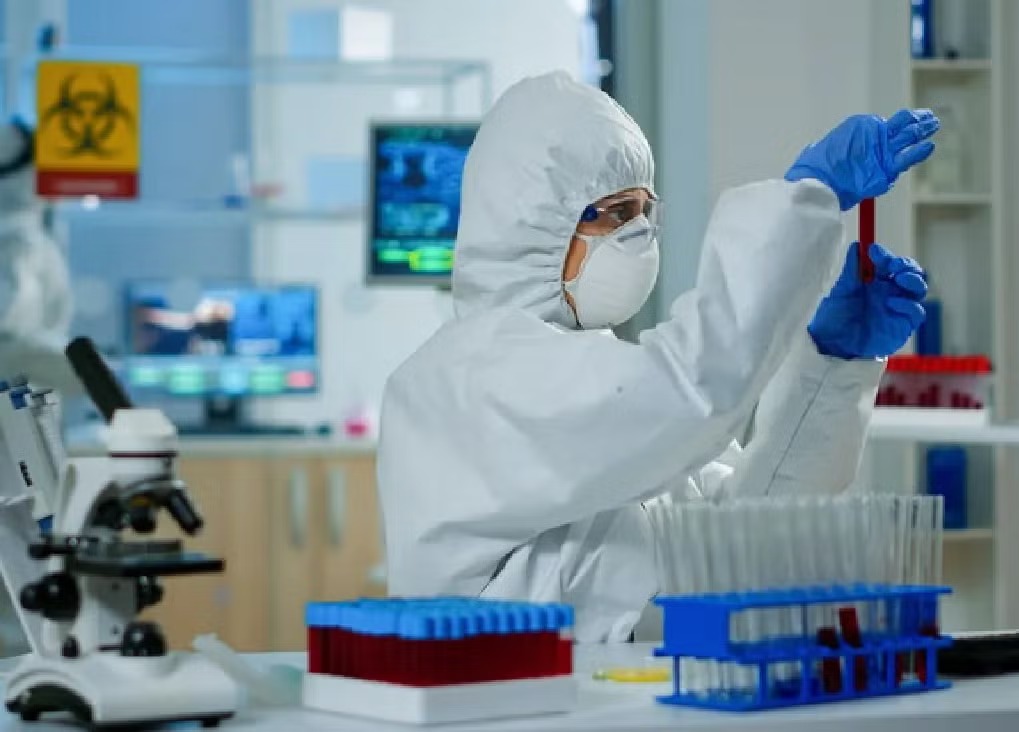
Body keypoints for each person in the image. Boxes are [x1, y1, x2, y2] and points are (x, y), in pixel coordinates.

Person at [379, 71, 938, 642]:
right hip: (512, 691)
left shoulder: (598, 370)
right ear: (530, 225)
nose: (641, 232)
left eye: (647, 209)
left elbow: (748, 531)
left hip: (623, 685)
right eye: (617, 212)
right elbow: (693, 392)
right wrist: (802, 200)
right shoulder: (470, 376)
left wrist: (833, 368)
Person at [0, 119, 79, 394]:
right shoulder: (18, 242)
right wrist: (82, 372)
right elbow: (10, 339)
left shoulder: (32, 235)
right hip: (18, 401)